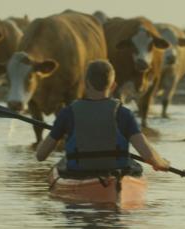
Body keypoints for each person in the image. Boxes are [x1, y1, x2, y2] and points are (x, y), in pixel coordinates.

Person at [36, 60, 170, 176]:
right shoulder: (124, 114)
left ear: (85, 83)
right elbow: (148, 155)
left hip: (78, 174)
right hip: (116, 174)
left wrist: (60, 131)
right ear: (113, 86)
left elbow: (41, 155)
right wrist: (162, 163)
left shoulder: (67, 113)